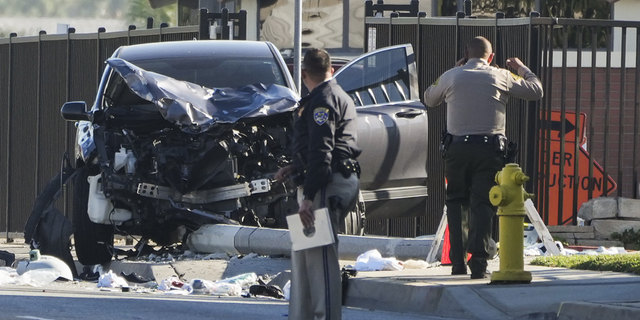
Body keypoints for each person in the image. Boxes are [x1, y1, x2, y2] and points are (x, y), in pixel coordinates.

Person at [423, 36, 543, 279]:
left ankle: (456, 262)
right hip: (489, 150)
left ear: (465, 55)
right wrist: (521, 68)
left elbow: (429, 99)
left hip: (456, 150)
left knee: (456, 202)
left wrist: (456, 70)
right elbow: (536, 90)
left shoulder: (451, 75)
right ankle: (478, 262)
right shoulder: (501, 75)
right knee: (483, 203)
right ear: (491, 56)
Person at [275, 48, 361, 320]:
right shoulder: (335, 96)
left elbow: (322, 152)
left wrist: (309, 197)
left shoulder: (323, 101)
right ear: (331, 69)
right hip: (324, 179)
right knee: (304, 257)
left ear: (303, 74)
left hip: (325, 185)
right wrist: (296, 167)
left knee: (321, 260)